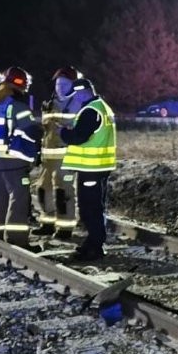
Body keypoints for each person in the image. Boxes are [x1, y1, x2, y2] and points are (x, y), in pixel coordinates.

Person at [0, 66, 42, 250]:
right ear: (21, 85)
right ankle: (16, 240)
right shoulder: (19, 107)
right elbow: (31, 132)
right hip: (14, 161)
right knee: (19, 199)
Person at [59, 76, 116, 262]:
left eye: (76, 95)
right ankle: (93, 244)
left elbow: (78, 137)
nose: (75, 99)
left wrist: (64, 132)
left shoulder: (90, 111)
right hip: (100, 167)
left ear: (84, 92)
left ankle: (94, 247)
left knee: (89, 209)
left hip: (91, 168)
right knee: (96, 207)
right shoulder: (103, 107)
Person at [34, 67, 80, 238]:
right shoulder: (50, 104)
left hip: (66, 158)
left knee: (63, 192)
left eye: (65, 83)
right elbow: (45, 131)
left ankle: (65, 228)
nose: (60, 86)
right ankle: (47, 223)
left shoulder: (77, 104)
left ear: (72, 85)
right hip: (48, 158)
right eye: (58, 83)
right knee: (42, 189)